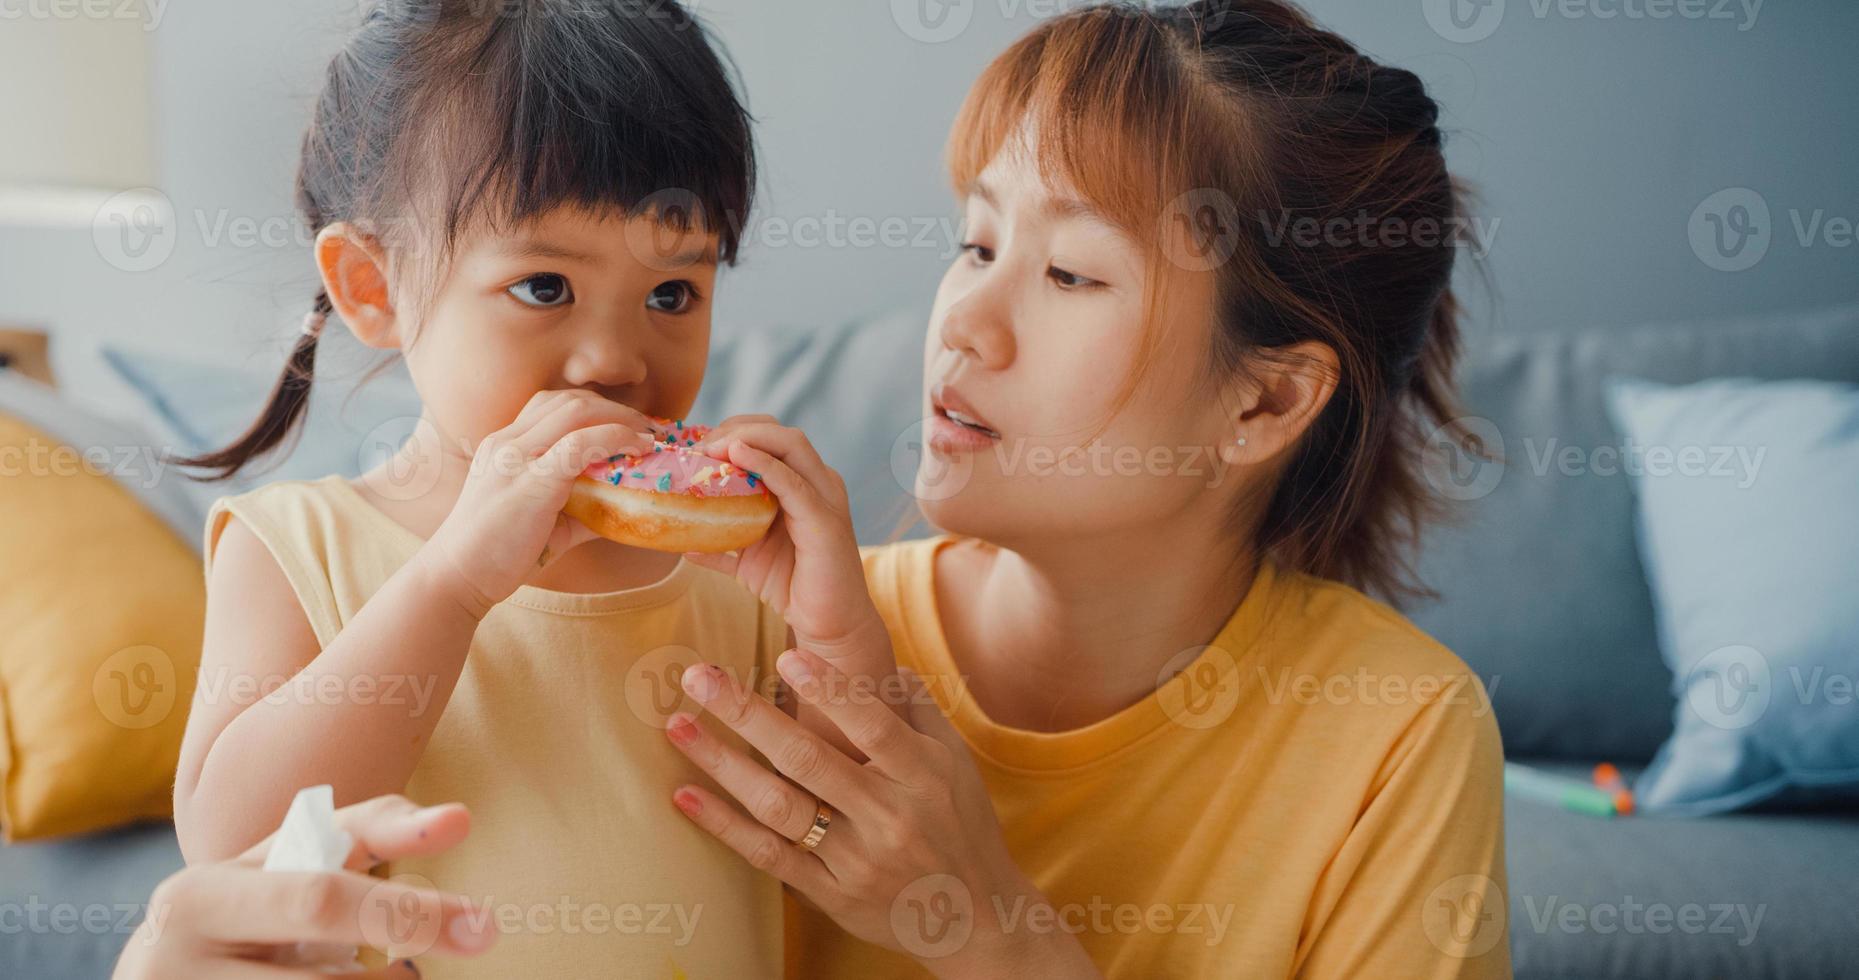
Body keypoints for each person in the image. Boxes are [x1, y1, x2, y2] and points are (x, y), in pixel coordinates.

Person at [659, 2, 1513, 976]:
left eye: (1068, 272)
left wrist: (993, 931)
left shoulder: (1397, 734)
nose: (964, 324)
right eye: (976, 245)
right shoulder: (758, 636)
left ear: (1264, 400)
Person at [165, 1, 896, 976]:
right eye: (545, 286)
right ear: (372, 286)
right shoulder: (300, 544)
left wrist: (838, 629)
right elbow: (232, 844)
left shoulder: (729, 567)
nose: (614, 358)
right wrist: (452, 585)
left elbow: (861, 840)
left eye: (671, 293)